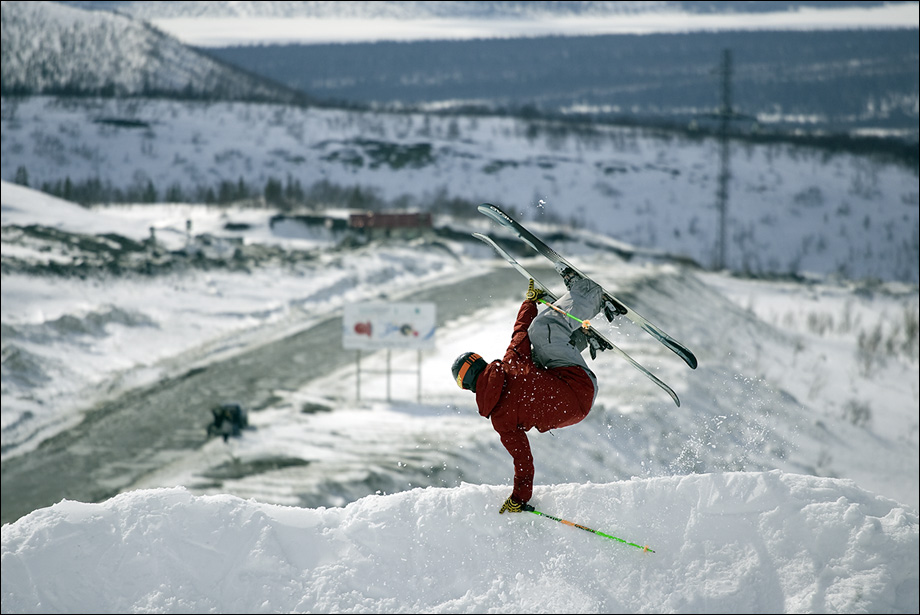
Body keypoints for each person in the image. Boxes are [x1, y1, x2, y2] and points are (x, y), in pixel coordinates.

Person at [451, 268, 605, 514]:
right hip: (576, 382)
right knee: (541, 329)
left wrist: (519, 497)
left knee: (534, 361)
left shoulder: (500, 420)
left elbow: (523, 460)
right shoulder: (510, 362)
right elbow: (521, 331)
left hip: (576, 407)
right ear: (479, 361)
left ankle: (585, 338)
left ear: (467, 386)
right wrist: (529, 302)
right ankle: (589, 294)